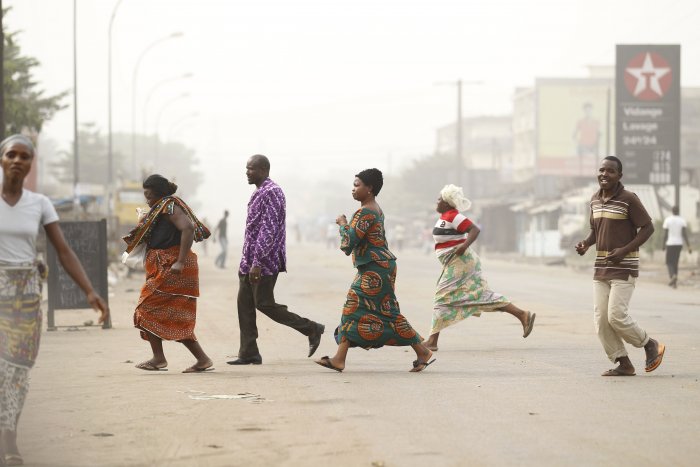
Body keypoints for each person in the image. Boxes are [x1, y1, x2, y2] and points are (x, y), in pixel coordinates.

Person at [0, 135, 109, 466]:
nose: (18, 160)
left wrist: (90, 291)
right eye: (11, 154)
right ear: (2, 159)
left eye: (24, 156)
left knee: (16, 370)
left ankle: (9, 440)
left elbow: (63, 251)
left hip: (25, 297)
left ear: (31, 164)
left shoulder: (40, 203)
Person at [315, 168, 435, 373]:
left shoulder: (366, 211)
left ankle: (339, 359)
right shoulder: (373, 208)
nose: (353, 189)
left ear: (369, 188)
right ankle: (421, 352)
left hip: (375, 270)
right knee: (386, 312)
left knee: (354, 308)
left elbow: (347, 244)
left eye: (357, 185)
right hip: (378, 267)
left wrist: (343, 224)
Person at [229, 155, 325, 365]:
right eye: (246, 168)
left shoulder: (273, 192)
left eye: (251, 168)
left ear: (263, 170)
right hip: (248, 261)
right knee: (244, 306)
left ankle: (311, 328)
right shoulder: (258, 192)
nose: (247, 172)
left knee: (264, 304)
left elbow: (268, 229)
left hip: (263, 262)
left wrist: (257, 262)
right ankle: (248, 353)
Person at [575, 156, 665, 376]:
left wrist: (624, 250)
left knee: (616, 315)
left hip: (624, 266)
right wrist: (586, 243)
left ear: (619, 176)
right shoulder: (595, 199)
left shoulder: (628, 199)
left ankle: (649, 344)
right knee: (600, 319)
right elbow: (596, 230)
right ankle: (623, 362)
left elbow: (648, 228)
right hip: (601, 267)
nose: (604, 174)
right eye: (602, 170)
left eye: (610, 171)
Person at [423, 184, 535, 352]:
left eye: (440, 199)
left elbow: (474, 229)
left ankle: (432, 340)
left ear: (447, 202)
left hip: (461, 262)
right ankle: (522, 314)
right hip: (455, 263)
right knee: (479, 295)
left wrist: (463, 246)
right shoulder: (445, 216)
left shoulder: (453, 215)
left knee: (442, 297)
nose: (437, 201)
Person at [123, 174, 213, 373]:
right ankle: (202, 359)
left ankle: (158, 358)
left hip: (173, 266)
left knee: (145, 308)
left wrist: (180, 261)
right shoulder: (160, 208)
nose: (147, 199)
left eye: (149, 195)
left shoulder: (169, 206)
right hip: (162, 266)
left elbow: (187, 228)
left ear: (158, 193)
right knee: (173, 315)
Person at [662, 206, 692, 288]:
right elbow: (684, 234)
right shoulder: (682, 220)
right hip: (679, 244)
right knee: (675, 262)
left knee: (669, 262)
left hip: (670, 243)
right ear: (678, 211)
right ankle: (674, 283)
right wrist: (689, 246)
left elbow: (665, 234)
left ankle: (672, 276)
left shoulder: (668, 220)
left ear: (672, 211)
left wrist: (663, 245)